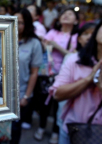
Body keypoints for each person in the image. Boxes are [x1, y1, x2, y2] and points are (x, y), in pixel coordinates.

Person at [50, 14, 102, 144]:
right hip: (72, 131)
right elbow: (57, 94)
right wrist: (88, 79)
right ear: (97, 31)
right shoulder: (74, 60)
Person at [34, 8, 79, 144]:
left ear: (76, 20)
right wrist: (44, 43)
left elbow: (73, 56)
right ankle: (41, 127)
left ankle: (56, 132)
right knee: (44, 104)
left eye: (70, 14)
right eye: (64, 13)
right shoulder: (53, 32)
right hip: (48, 74)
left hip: (66, 76)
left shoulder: (77, 37)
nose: (65, 15)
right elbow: (43, 47)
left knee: (60, 105)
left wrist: (56, 46)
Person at [10, 8, 43, 144]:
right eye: (14, 21)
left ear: (28, 24)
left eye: (21, 22)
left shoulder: (34, 43)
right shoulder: (2, 37)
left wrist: (26, 96)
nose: (17, 25)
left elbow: (34, 72)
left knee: (14, 130)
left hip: (20, 93)